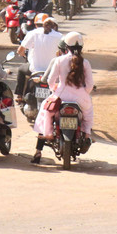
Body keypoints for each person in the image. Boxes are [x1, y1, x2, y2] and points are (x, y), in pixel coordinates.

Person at [31, 32, 94, 165]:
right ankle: (87, 134)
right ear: (81, 47)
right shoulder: (86, 63)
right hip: (81, 97)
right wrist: (83, 93)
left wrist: (55, 90)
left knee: (46, 109)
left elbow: (50, 80)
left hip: (61, 95)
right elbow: (90, 85)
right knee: (88, 113)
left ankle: (48, 133)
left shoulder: (59, 60)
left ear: (66, 46)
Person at [15, 17, 63, 103]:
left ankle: (19, 96)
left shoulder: (33, 33)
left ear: (36, 24)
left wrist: (23, 55)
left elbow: (20, 50)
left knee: (21, 69)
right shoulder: (59, 36)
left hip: (35, 71)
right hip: (52, 72)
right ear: (54, 26)